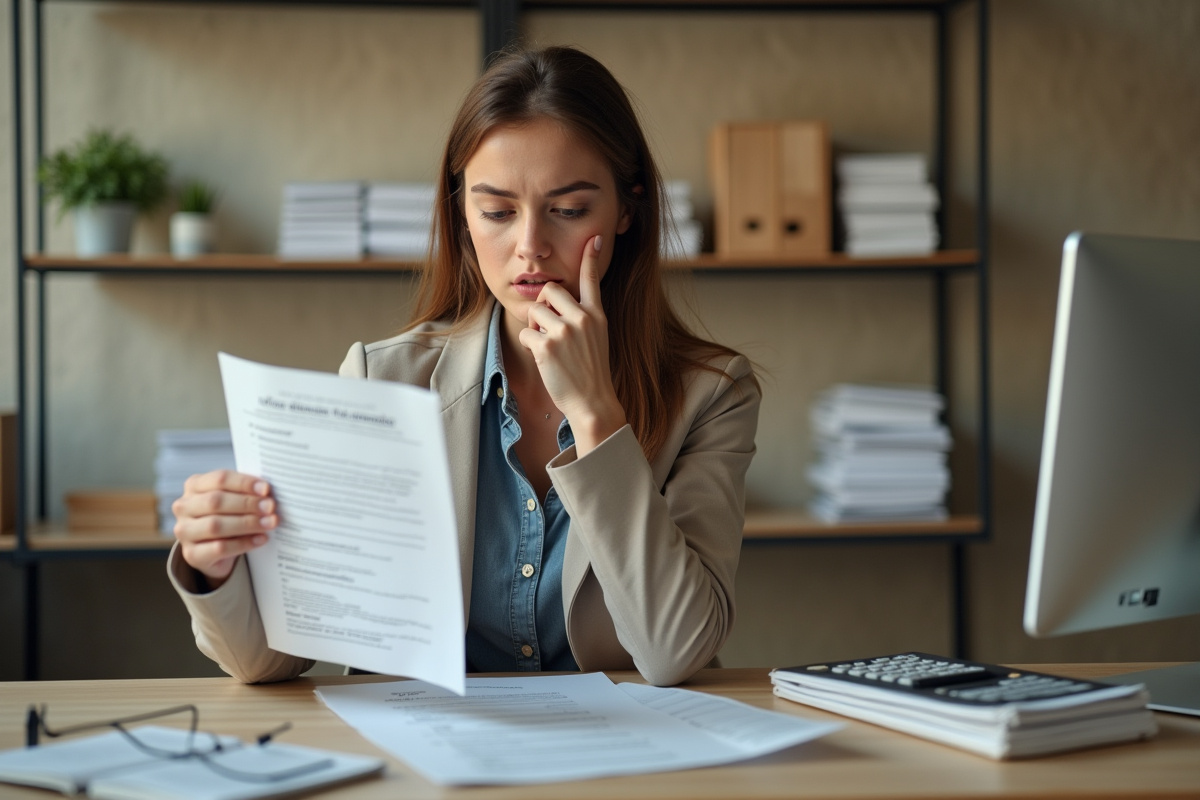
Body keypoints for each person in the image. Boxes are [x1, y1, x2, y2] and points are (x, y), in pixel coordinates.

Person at [167, 46, 760, 687]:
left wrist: (597, 418)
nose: (529, 246)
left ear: (626, 210)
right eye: (498, 212)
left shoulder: (712, 394)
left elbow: (676, 650)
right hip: (426, 762)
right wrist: (214, 564)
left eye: (568, 210)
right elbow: (267, 661)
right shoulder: (382, 379)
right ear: (463, 216)